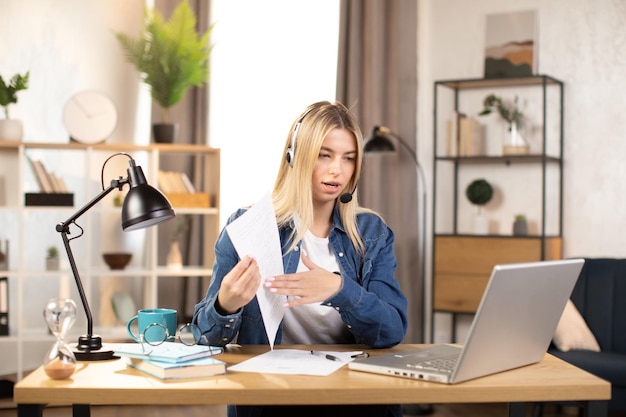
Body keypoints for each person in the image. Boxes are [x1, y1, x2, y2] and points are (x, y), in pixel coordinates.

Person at [192, 101, 408, 417]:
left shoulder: (371, 232)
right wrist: (226, 304)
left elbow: (391, 332)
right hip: (272, 398)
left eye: (348, 159)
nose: (338, 170)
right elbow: (203, 338)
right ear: (295, 157)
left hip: (352, 397)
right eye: (325, 155)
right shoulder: (246, 227)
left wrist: (339, 289)